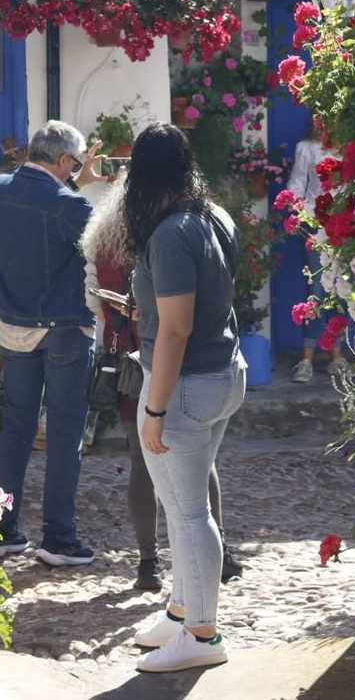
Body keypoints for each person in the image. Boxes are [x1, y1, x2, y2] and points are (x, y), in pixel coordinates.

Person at [80, 174, 243, 594]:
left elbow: (96, 303)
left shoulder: (107, 240)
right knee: (199, 460)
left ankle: (149, 563)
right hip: (174, 359)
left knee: (144, 461)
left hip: (136, 359)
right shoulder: (177, 229)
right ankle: (217, 553)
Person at [122, 123, 245, 673]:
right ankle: (180, 612)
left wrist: (153, 408)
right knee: (180, 507)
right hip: (222, 375)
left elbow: (176, 329)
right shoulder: (213, 215)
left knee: (191, 514)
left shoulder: (170, 232)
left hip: (185, 386)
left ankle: (203, 634)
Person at [0, 120, 106, 567]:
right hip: (63, 328)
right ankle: (58, 538)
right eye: (74, 162)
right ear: (62, 160)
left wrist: (75, 178)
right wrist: (80, 186)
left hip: (14, 323)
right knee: (64, 432)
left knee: (15, 428)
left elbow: (39, 196)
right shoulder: (70, 205)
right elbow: (99, 238)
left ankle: (1, 529)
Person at [284, 126, 350, 382]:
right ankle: (306, 360)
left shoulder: (346, 149)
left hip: (343, 224)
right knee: (317, 290)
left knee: (341, 289)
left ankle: (337, 358)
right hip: (315, 223)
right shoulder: (307, 148)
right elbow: (298, 182)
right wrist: (297, 210)